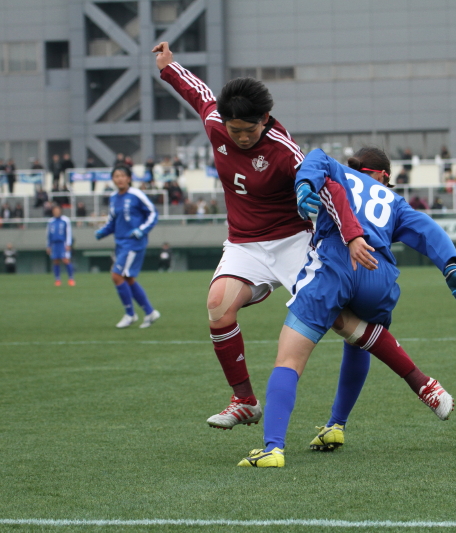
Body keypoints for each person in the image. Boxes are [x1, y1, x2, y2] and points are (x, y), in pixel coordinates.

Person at [237, 147, 456, 468]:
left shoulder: (339, 172)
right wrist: (450, 266)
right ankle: (337, 425)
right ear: (384, 176)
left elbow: (314, 159)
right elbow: (426, 228)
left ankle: (273, 448)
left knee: (289, 358)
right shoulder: (394, 202)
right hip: (378, 273)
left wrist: (304, 186)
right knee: (360, 341)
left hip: (336, 262)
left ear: (358, 168)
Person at [154, 41, 323, 429]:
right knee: (217, 306)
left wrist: (351, 235)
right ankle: (244, 400)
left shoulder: (284, 151)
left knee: (345, 321)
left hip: (293, 241)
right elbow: (200, 96)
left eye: (250, 130)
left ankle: (420, 383)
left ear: (265, 118)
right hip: (245, 243)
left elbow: (321, 190)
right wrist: (169, 66)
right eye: (235, 130)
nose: (242, 137)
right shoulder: (217, 122)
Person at [95, 165, 161, 328]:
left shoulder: (136, 195)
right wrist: (103, 231)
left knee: (116, 275)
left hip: (134, 243)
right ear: (112, 179)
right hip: (120, 243)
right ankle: (150, 312)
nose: (119, 179)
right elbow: (113, 221)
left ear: (129, 178)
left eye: (122, 175)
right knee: (128, 278)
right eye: (116, 176)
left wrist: (141, 230)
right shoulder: (113, 197)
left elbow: (153, 213)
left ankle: (130, 314)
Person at [46, 204, 75, 287]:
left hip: (63, 243)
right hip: (54, 244)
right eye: (55, 210)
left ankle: (71, 278)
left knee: (66, 260)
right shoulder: (50, 221)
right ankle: (57, 279)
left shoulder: (65, 220)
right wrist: (48, 246)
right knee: (55, 261)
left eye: (58, 210)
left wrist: (68, 244)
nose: (56, 212)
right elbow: (48, 235)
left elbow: (68, 232)